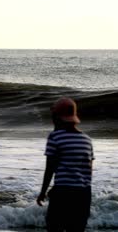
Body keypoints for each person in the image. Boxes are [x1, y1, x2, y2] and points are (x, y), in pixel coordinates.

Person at [36, 97, 94, 232]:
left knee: (54, 227)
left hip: (63, 192)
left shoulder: (55, 137)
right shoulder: (87, 139)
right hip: (84, 194)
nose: (52, 118)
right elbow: (89, 170)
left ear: (58, 117)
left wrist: (43, 192)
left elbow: (50, 168)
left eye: (53, 115)